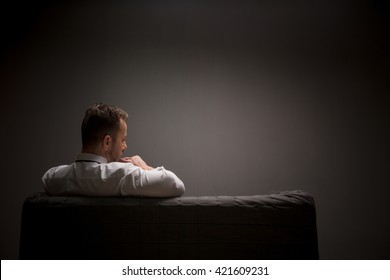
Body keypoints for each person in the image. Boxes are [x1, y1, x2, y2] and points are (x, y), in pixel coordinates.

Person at [42, 103, 185, 197]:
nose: (125, 146)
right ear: (107, 142)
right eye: (123, 140)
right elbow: (175, 184)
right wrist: (144, 167)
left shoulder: (52, 178)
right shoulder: (124, 175)